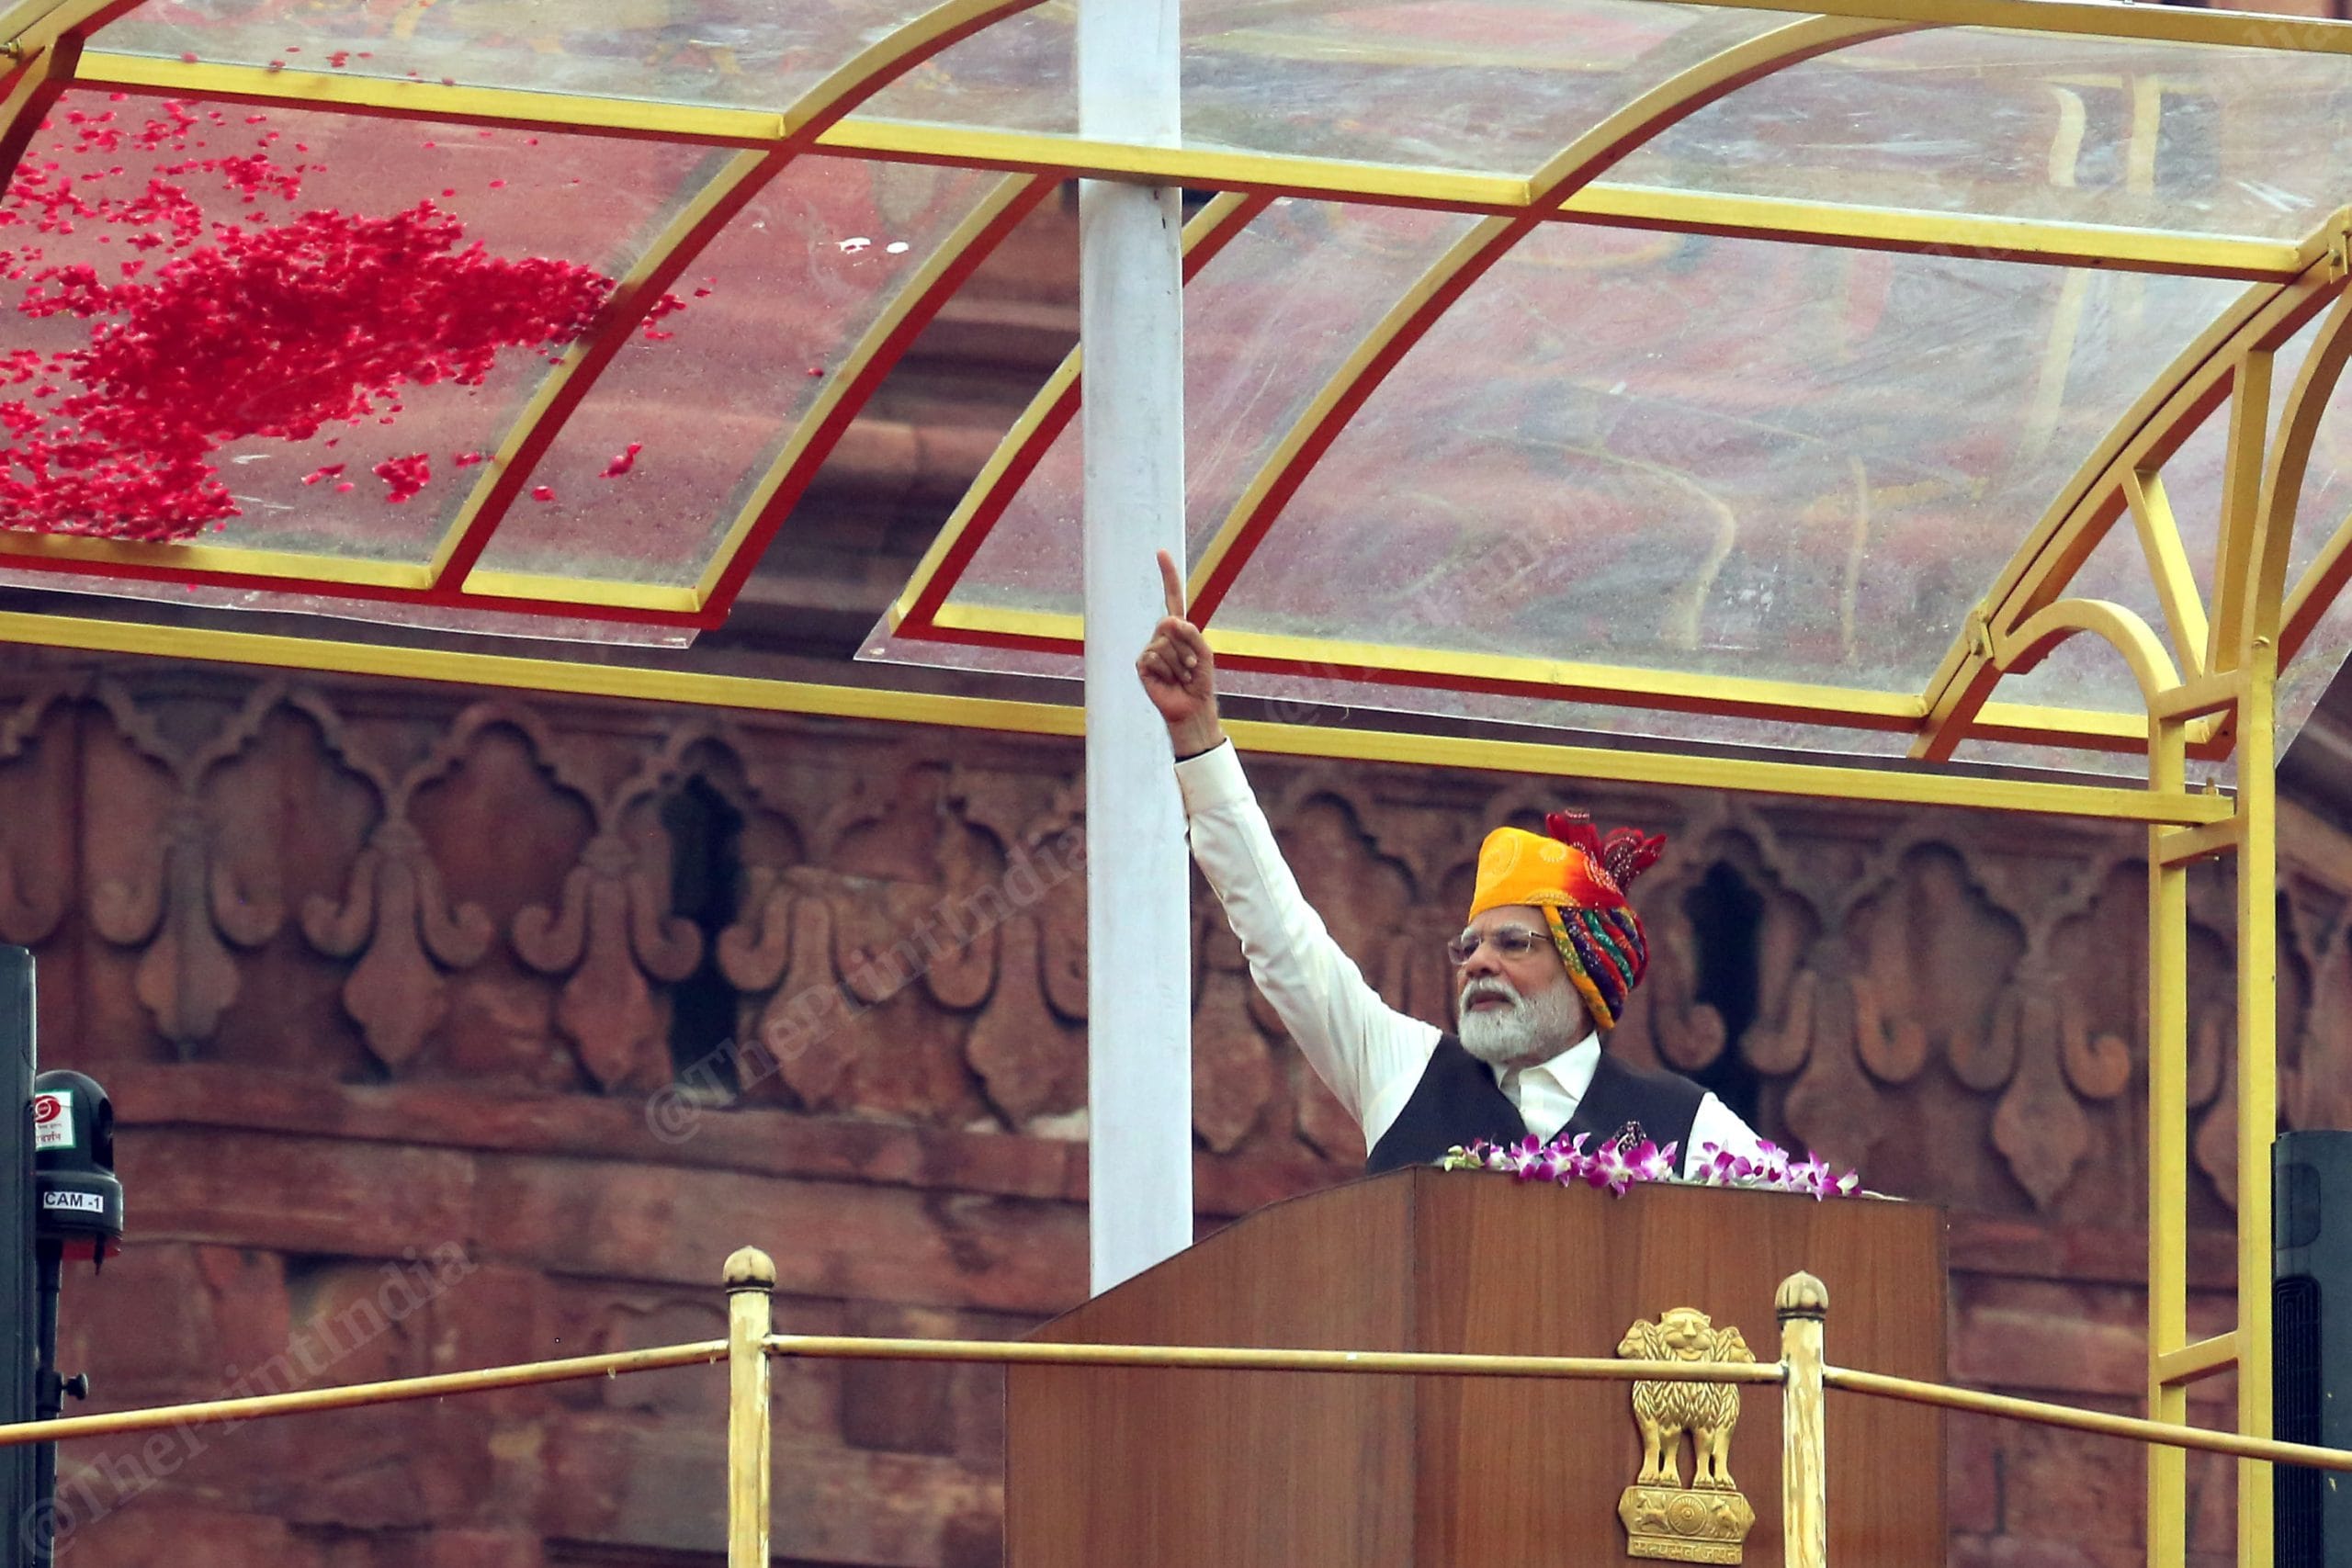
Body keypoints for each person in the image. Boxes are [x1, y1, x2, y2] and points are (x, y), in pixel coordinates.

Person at [1136, 551, 1770, 1177]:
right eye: (1469, 945)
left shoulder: (1685, 1127)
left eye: (1512, 942)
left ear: (1584, 969)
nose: (1478, 962)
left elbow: (1820, 1223)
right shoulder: (1403, 1069)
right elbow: (1280, 935)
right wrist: (1198, 736)